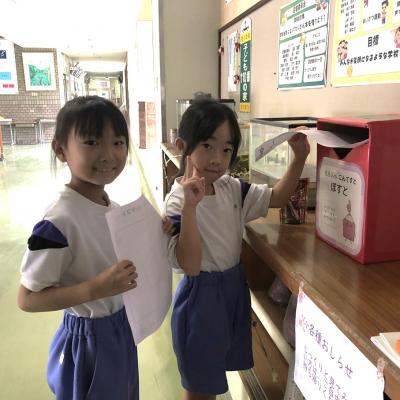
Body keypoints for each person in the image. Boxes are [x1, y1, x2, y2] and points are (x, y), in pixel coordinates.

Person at [17, 95, 173, 400]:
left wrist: (158, 234)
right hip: (88, 339)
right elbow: (27, 298)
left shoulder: (111, 208)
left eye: (117, 143)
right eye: (92, 142)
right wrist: (95, 289)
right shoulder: (58, 222)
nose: (108, 155)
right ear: (61, 150)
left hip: (120, 330)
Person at [164, 99, 310, 400]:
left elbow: (277, 198)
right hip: (200, 299)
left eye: (226, 150)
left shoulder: (232, 188)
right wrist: (191, 207)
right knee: (199, 386)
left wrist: (299, 158)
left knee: (215, 372)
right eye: (207, 145)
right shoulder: (177, 201)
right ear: (183, 146)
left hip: (232, 289)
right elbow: (190, 265)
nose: (217, 159)